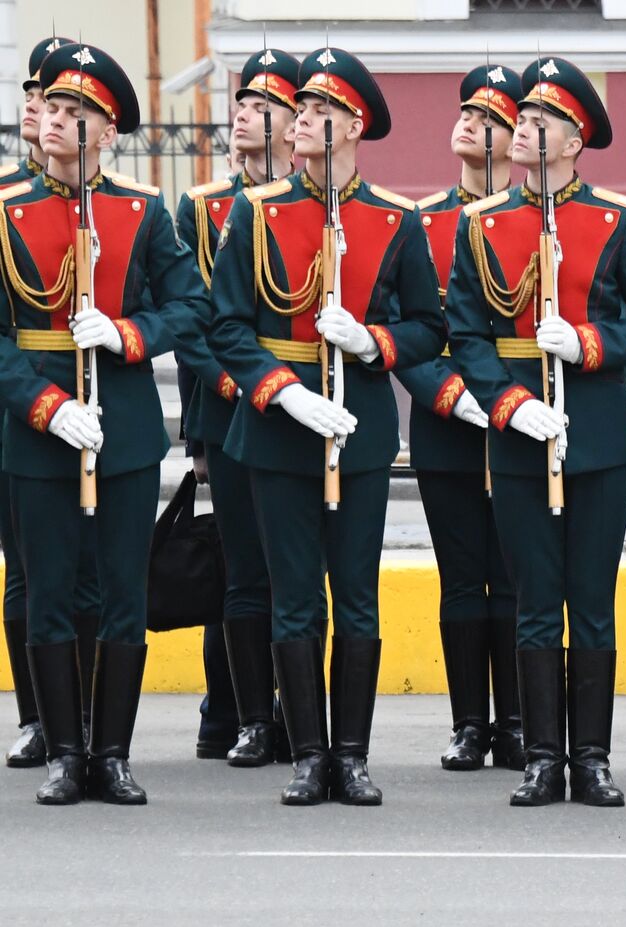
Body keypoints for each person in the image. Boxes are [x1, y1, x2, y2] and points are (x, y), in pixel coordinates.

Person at [209, 47, 445, 806]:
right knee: (294, 598)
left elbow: (428, 327)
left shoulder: (394, 218)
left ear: (348, 127)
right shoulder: (257, 210)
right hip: (280, 430)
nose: (298, 123)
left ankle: (352, 752)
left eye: (314, 114)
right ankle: (309, 753)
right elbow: (228, 325)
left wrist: (370, 343)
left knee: (357, 595)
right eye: (300, 111)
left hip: (360, 428)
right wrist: (280, 391)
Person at [445, 56, 626, 808]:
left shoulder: (618, 219)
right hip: (517, 435)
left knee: (591, 598)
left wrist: (588, 344)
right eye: (523, 120)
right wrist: (507, 405)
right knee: (536, 597)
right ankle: (544, 756)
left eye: (542, 123)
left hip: (598, 435)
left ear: (575, 140)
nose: (522, 132)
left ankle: (593, 756)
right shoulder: (482, 224)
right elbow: (466, 332)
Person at [0, 43, 207, 804]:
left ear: (107, 131)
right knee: (51, 589)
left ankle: (111, 753)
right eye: (51, 109)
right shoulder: (5, 209)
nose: (57, 122)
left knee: (121, 591)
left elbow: (189, 305)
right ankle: (63, 752)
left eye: (75, 113)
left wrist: (124, 334)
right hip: (39, 428)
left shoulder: (140, 209)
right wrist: (46, 406)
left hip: (119, 424)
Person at [174, 47, 302, 766]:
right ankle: (239, 716)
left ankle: (297, 713)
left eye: (261, 107)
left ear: (291, 124)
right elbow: (196, 320)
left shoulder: (312, 205)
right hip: (231, 411)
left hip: (307, 412)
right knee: (243, 568)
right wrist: (242, 387)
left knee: (298, 571)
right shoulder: (205, 207)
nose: (243, 117)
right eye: (240, 105)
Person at [399, 63, 524, 772]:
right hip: (448, 420)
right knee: (460, 576)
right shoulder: (425, 220)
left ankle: (516, 722)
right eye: (467, 111)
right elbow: (407, 326)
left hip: (515, 417)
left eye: (490, 117)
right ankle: (467, 723)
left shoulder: (529, 219)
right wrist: (452, 392)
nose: (471, 123)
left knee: (510, 575)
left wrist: (505, 397)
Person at [1, 32, 102, 771]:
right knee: (27, 572)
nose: (43, 113)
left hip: (82, 406)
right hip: (19, 409)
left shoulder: (88, 200)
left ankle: (89, 720)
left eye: (57, 101)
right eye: (37, 100)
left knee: (82, 568)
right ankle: (39, 714)